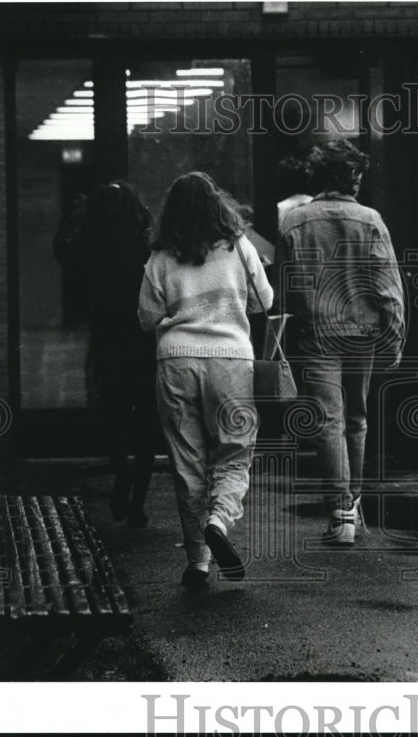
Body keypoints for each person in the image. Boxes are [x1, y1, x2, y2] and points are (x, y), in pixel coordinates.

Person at [137, 171, 273, 587]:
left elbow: (146, 319)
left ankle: (197, 562)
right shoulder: (239, 248)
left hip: (176, 362)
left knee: (187, 462)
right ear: (218, 205)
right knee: (233, 454)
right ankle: (219, 520)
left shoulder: (160, 257)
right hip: (231, 361)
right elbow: (264, 301)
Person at [273, 139, 405, 546]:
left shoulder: (294, 221)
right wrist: (395, 338)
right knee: (357, 418)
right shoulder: (370, 220)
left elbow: (283, 285)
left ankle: (340, 512)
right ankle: (355, 503)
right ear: (352, 178)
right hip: (362, 333)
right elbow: (388, 287)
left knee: (328, 420)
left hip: (317, 332)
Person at [53, 181, 159, 527]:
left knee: (111, 410)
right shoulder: (146, 244)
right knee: (145, 417)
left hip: (107, 338)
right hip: (143, 339)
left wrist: (75, 216)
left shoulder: (91, 242)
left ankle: (121, 466)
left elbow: (62, 252)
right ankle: (139, 503)